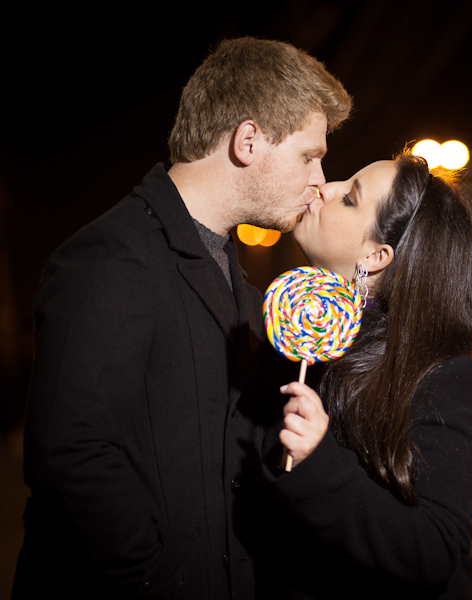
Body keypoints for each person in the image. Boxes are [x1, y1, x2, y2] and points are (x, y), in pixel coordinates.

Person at [13, 37, 351, 599]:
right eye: (309, 155)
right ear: (248, 141)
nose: (319, 178)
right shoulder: (112, 258)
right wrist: (157, 576)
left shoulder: (234, 279)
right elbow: (70, 456)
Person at [252, 152, 472, 599]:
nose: (326, 187)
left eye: (349, 198)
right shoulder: (293, 341)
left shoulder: (445, 378)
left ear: (377, 254)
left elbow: (435, 548)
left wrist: (318, 461)